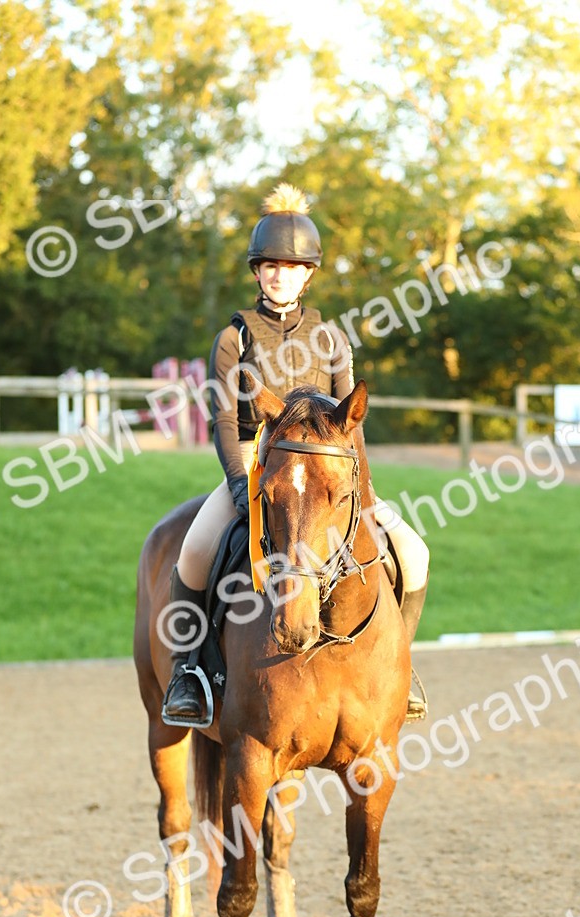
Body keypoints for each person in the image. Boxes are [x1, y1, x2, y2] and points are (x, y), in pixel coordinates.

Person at [162, 183, 429, 727]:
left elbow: (351, 428)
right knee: (193, 552)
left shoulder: (332, 339)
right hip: (257, 462)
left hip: (328, 472)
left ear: (309, 274)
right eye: (270, 266)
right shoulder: (233, 338)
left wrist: (366, 495)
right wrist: (240, 485)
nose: (280, 275)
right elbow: (223, 419)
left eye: (292, 266)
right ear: (257, 272)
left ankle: (398, 671)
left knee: (414, 552)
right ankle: (187, 674)